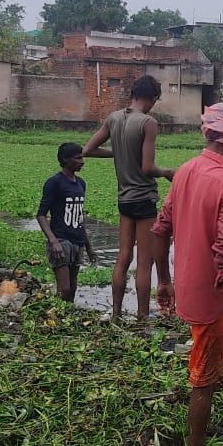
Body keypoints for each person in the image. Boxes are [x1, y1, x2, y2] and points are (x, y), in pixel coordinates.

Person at [150, 102, 223, 446]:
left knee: (208, 365)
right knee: (203, 379)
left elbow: (160, 229)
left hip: (188, 287)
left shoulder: (186, 170)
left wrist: (164, 281)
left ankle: (200, 437)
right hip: (212, 296)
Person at [82, 75, 175, 320]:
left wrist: (118, 153)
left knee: (123, 257)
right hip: (143, 198)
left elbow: (87, 150)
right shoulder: (147, 122)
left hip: (124, 199)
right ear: (153, 98)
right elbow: (147, 168)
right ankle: (142, 317)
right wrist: (166, 172)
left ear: (133, 93)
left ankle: (116, 314)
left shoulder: (113, 118)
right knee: (144, 262)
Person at [36, 143, 96, 303]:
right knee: (64, 289)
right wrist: (53, 241)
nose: (82, 162)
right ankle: (56, 312)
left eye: (82, 157)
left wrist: (88, 246)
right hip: (61, 240)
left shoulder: (81, 183)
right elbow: (41, 215)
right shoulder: (54, 183)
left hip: (77, 241)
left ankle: (67, 313)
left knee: (73, 286)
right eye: (78, 158)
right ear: (65, 159)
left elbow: (79, 217)